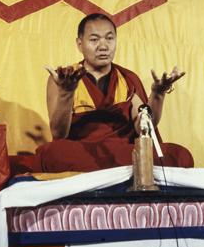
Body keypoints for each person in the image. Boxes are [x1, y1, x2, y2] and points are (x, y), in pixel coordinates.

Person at [36, 13, 193, 172]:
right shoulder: (64, 78)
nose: (103, 46)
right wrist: (66, 93)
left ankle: (108, 172)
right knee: (53, 153)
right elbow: (58, 133)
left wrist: (158, 94)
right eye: (94, 39)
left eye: (109, 38)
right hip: (82, 152)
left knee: (180, 155)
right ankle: (121, 172)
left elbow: (143, 127)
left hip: (122, 153)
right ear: (79, 44)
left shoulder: (127, 79)